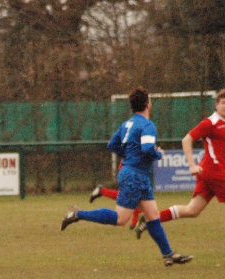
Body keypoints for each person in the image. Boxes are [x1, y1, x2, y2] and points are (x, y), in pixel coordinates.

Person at [61, 87, 193, 267]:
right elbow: (147, 149)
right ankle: (77, 214)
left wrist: (130, 154)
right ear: (148, 104)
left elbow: (112, 144)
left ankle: (168, 254)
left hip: (137, 174)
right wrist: (158, 154)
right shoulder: (147, 125)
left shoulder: (127, 124)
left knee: (152, 215)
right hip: (135, 175)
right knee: (121, 219)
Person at [132, 88, 225, 239]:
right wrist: (192, 165)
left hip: (210, 172)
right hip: (214, 170)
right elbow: (187, 139)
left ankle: (151, 219)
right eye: (223, 102)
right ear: (216, 105)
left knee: (192, 210)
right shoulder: (210, 123)